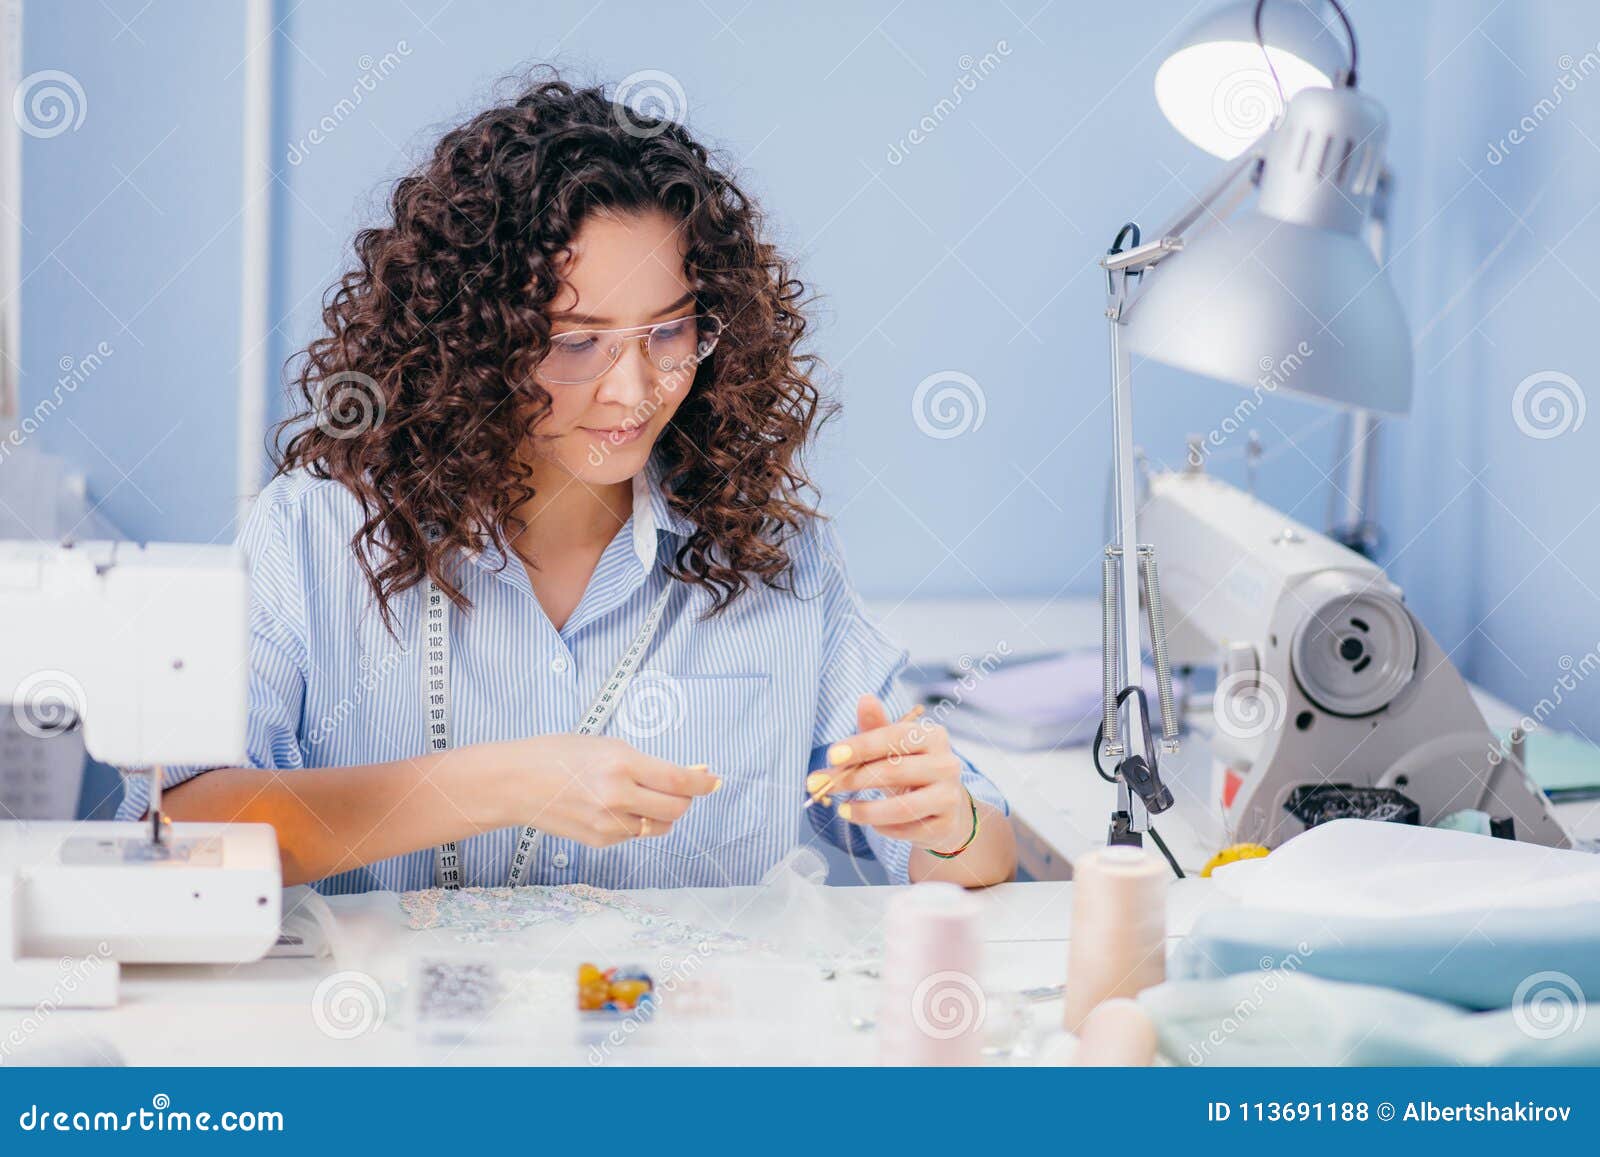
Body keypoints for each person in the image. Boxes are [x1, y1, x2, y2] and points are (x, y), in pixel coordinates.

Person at [118, 73, 1016, 894]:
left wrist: (952, 822)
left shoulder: (779, 559)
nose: (633, 390)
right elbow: (181, 831)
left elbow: (975, 855)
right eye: (577, 341)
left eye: (669, 332)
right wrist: (505, 784)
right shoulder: (313, 534)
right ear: (474, 337)